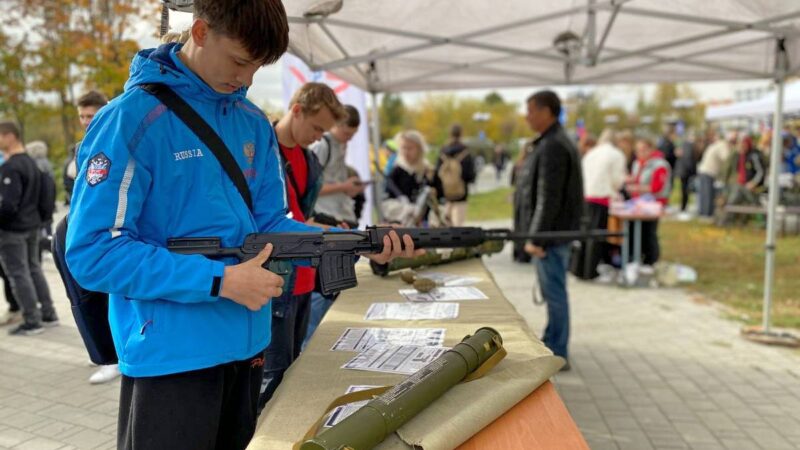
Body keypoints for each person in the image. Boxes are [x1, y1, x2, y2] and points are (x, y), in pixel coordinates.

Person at [64, 2, 417, 448]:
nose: (247, 79)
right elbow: (94, 252)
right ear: (200, 30)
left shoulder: (252, 123)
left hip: (248, 347)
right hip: (173, 357)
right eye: (239, 61)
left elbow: (270, 225)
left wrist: (351, 243)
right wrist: (219, 280)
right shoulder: (129, 119)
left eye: (259, 67)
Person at [258, 82, 345, 410]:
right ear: (296, 111)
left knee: (294, 373)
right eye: (316, 127)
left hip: (306, 280)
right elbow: (281, 223)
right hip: (277, 282)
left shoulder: (308, 159)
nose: (319, 136)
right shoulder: (263, 152)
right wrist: (336, 235)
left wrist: (333, 227)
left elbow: (303, 212)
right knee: (274, 384)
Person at [516, 90, 583, 369]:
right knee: (554, 291)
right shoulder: (553, 140)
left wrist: (536, 237)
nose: (527, 116)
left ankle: (558, 350)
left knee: (554, 293)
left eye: (531, 110)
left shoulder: (553, 144)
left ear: (546, 112)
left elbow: (548, 195)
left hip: (551, 236)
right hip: (555, 234)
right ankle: (554, 341)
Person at [0, 121, 59, 336]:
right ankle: (49, 313)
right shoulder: (32, 163)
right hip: (33, 225)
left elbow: (7, 205)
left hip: (13, 230)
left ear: (9, 137)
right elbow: (45, 197)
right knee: (34, 269)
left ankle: (32, 321)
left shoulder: (11, 167)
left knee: (19, 274)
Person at [572, 129, 626, 279]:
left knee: (584, 235)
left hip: (586, 196)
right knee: (596, 237)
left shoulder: (591, 154)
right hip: (601, 196)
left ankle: (579, 269)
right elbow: (617, 179)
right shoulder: (616, 155)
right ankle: (590, 270)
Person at [310, 104, 365, 228]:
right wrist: (344, 186)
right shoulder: (321, 146)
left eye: (353, 135)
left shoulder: (341, 145)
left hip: (342, 214)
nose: (349, 139)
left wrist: (350, 188)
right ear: (335, 124)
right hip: (325, 215)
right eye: (346, 134)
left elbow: (334, 179)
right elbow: (311, 189)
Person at [626, 137, 672, 265]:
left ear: (651, 149)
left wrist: (638, 188)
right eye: (638, 150)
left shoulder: (660, 165)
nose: (641, 153)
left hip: (654, 203)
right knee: (635, 230)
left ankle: (651, 259)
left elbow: (657, 187)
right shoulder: (637, 163)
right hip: (637, 202)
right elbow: (636, 179)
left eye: (644, 150)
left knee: (649, 232)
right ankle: (636, 256)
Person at [64, 91, 108, 205]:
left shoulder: (116, 143)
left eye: (89, 116)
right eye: (81, 116)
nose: (85, 122)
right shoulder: (80, 148)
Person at [382, 130, 432, 225]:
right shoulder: (397, 168)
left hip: (422, 219)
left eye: (410, 148)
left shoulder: (426, 169)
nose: (406, 152)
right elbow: (389, 191)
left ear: (419, 149)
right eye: (404, 148)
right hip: (399, 217)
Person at [432, 124, 476, 226]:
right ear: (461, 134)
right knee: (458, 222)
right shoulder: (465, 151)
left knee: (446, 221)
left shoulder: (443, 151)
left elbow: (437, 170)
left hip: (445, 191)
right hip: (461, 191)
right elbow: (470, 173)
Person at [720, 135, 766, 225]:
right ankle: (726, 222)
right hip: (741, 185)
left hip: (753, 186)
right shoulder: (740, 156)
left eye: (743, 145)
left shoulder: (754, 156)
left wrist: (754, 183)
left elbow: (760, 172)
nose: (742, 147)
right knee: (732, 201)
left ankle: (764, 222)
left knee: (755, 203)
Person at [697, 130, 735, 217]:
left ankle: (703, 212)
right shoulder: (723, 145)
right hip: (709, 171)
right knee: (708, 194)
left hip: (703, 170)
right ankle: (707, 214)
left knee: (704, 194)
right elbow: (726, 158)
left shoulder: (717, 144)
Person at [674, 131, 703, 216]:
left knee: (685, 190)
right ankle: (683, 208)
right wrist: (693, 172)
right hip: (686, 172)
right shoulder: (689, 145)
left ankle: (683, 207)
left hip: (684, 171)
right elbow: (688, 160)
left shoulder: (685, 144)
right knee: (685, 190)